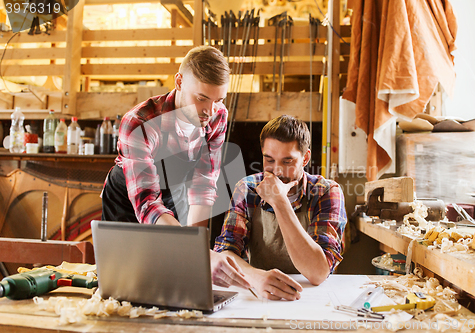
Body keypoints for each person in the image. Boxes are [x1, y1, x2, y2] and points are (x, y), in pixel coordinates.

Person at [101, 45, 250, 290]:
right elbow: (147, 202)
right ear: (179, 81)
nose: (209, 111)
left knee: (174, 277)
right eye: (201, 98)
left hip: (173, 190)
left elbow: (203, 185)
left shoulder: (216, 115)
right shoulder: (139, 122)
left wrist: (196, 254)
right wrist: (192, 251)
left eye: (218, 100)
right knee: (126, 281)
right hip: (128, 198)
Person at [214, 115, 347, 301]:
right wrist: (255, 277)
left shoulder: (325, 192)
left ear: (305, 158)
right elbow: (225, 252)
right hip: (260, 293)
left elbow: (318, 272)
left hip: (311, 297)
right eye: (269, 160)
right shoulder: (247, 188)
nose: (277, 171)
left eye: (287, 162)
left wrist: (279, 201)